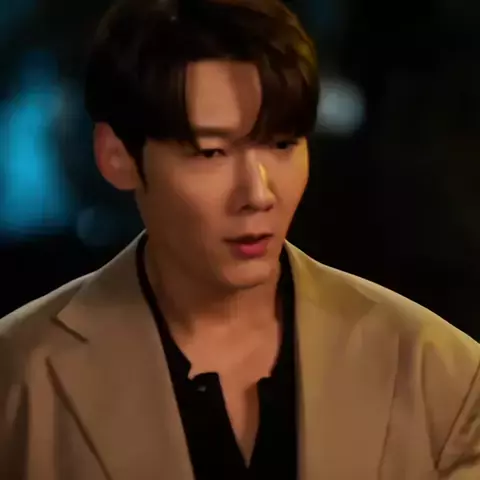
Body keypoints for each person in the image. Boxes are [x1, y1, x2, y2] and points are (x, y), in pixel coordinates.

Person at [1, 0, 479, 478]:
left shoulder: (438, 370)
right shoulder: (19, 373)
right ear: (117, 156)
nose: (258, 194)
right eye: (211, 153)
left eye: (283, 144)